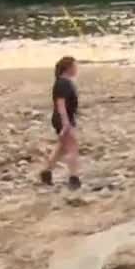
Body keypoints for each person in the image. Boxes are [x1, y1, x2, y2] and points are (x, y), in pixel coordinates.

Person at [40, 56, 81, 190]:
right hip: (62, 119)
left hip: (64, 118)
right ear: (68, 68)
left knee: (62, 147)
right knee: (72, 148)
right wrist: (66, 123)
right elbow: (61, 104)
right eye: (75, 66)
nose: (77, 69)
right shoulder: (62, 83)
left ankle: (46, 172)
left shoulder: (65, 82)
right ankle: (74, 178)